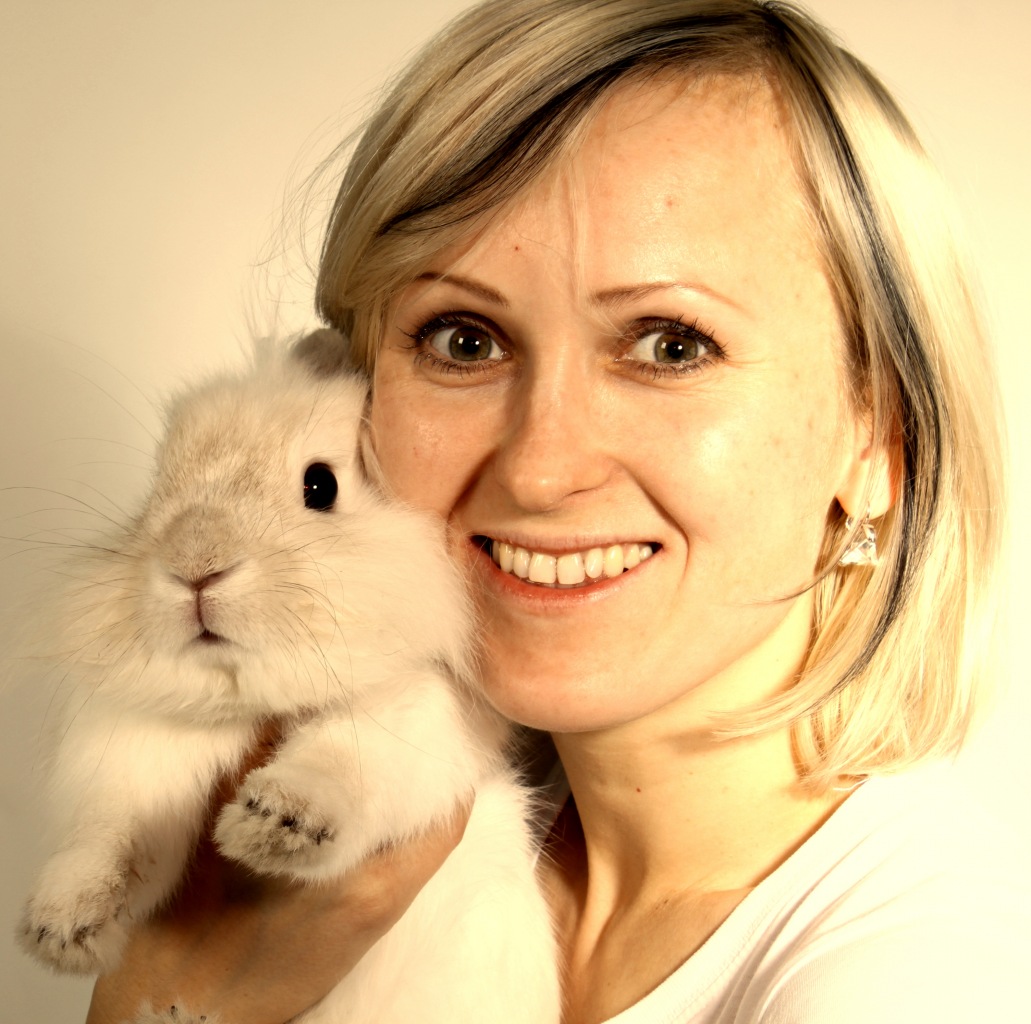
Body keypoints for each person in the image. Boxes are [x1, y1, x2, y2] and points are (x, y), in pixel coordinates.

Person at [87, 1, 1028, 1022]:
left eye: (669, 345)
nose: (538, 470)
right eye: (462, 339)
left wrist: (175, 989)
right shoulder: (364, 835)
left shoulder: (917, 979)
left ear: (877, 439)